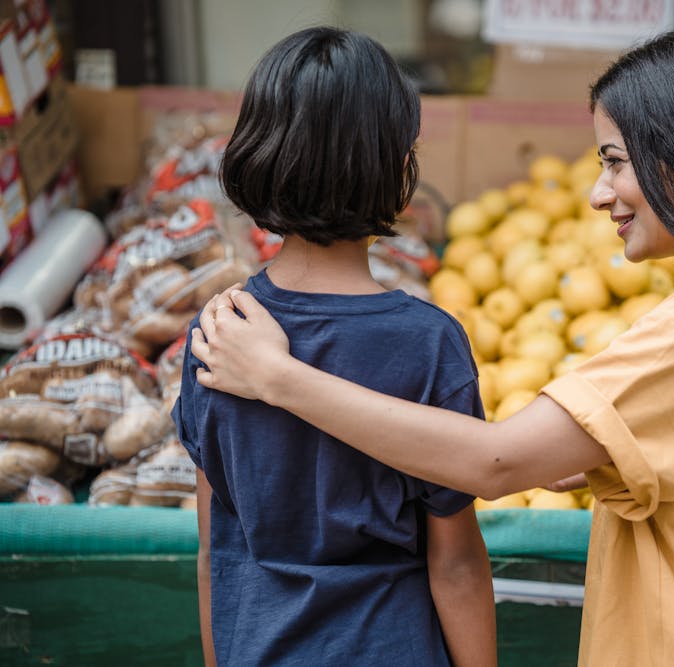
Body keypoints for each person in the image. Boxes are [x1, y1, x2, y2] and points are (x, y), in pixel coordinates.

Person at [192, 25, 674, 666]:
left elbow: (496, 460)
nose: (599, 193)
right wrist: (600, 458)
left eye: (614, 160)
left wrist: (280, 376)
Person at [172, 27, 496, 667]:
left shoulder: (220, 332)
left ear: (257, 155)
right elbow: (454, 565)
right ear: (398, 168)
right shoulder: (429, 344)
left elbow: (215, 547)